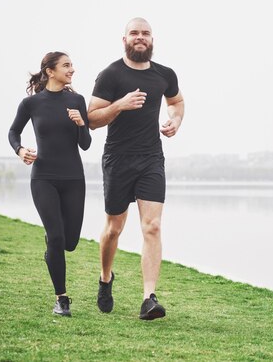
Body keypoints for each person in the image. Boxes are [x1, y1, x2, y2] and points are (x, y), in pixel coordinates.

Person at [88, 17, 184, 320]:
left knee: (152, 226)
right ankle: (105, 279)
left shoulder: (164, 75)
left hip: (151, 159)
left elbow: (177, 102)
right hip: (118, 159)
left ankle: (148, 298)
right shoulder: (110, 75)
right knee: (114, 228)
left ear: (152, 40)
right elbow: (91, 119)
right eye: (134, 33)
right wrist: (120, 105)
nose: (140, 37)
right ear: (124, 39)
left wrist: (176, 120)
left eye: (145, 33)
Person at [8, 52, 91, 317]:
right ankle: (62, 299)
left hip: (74, 179)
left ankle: (52, 249)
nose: (72, 70)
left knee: (70, 242)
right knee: (56, 237)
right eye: (67, 65)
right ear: (50, 71)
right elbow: (13, 132)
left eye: (72, 65)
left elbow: (86, 144)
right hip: (43, 178)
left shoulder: (77, 101)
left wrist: (81, 124)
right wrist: (20, 151)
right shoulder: (31, 104)